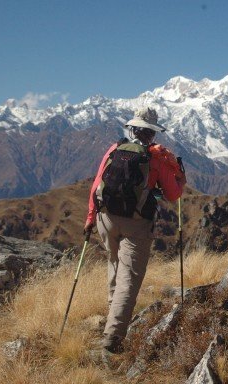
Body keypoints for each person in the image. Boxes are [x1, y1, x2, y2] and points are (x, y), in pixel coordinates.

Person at [83, 107, 186, 354]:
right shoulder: (156, 158)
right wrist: (178, 172)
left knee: (114, 262)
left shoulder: (114, 149)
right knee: (129, 278)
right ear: (152, 133)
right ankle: (114, 335)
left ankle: (112, 313)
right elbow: (173, 194)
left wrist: (89, 218)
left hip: (105, 218)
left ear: (131, 128)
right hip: (136, 223)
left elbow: (96, 184)